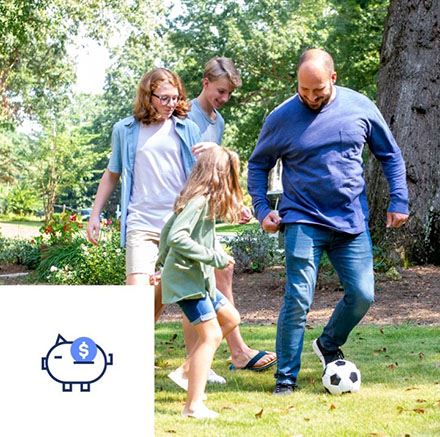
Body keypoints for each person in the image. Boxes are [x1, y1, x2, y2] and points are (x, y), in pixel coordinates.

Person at [247, 49, 409, 395]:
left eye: (317, 90)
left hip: (351, 220)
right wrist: (262, 210)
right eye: (303, 90)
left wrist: (399, 199)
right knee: (298, 299)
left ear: (333, 79)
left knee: (362, 294)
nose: (310, 97)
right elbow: (258, 164)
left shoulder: (360, 107)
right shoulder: (281, 117)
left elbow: (390, 154)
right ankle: (286, 378)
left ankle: (328, 342)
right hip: (303, 219)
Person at [168, 57, 276, 391]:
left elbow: (215, 163)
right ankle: (206, 360)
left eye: (228, 93)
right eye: (220, 91)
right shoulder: (183, 115)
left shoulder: (218, 120)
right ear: (204, 82)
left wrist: (235, 201)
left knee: (219, 273)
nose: (224, 98)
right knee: (192, 281)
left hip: (205, 208)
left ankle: (221, 354)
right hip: (185, 206)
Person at [86, 68, 200, 319]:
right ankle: (133, 349)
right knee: (136, 300)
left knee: (188, 297)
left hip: (179, 224)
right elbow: (112, 174)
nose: (171, 104)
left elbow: (202, 173)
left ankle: (194, 359)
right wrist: (95, 215)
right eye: (165, 98)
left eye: (176, 97)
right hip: (141, 222)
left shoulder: (187, 128)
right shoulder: (124, 130)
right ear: (148, 96)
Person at [154, 147, 242, 419]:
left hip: (198, 279)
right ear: (219, 174)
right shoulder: (200, 200)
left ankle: (186, 371)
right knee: (212, 335)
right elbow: (177, 236)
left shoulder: (202, 200)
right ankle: (192, 406)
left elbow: (170, 229)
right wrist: (213, 256)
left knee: (230, 317)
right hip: (186, 280)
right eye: (230, 174)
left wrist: (161, 262)